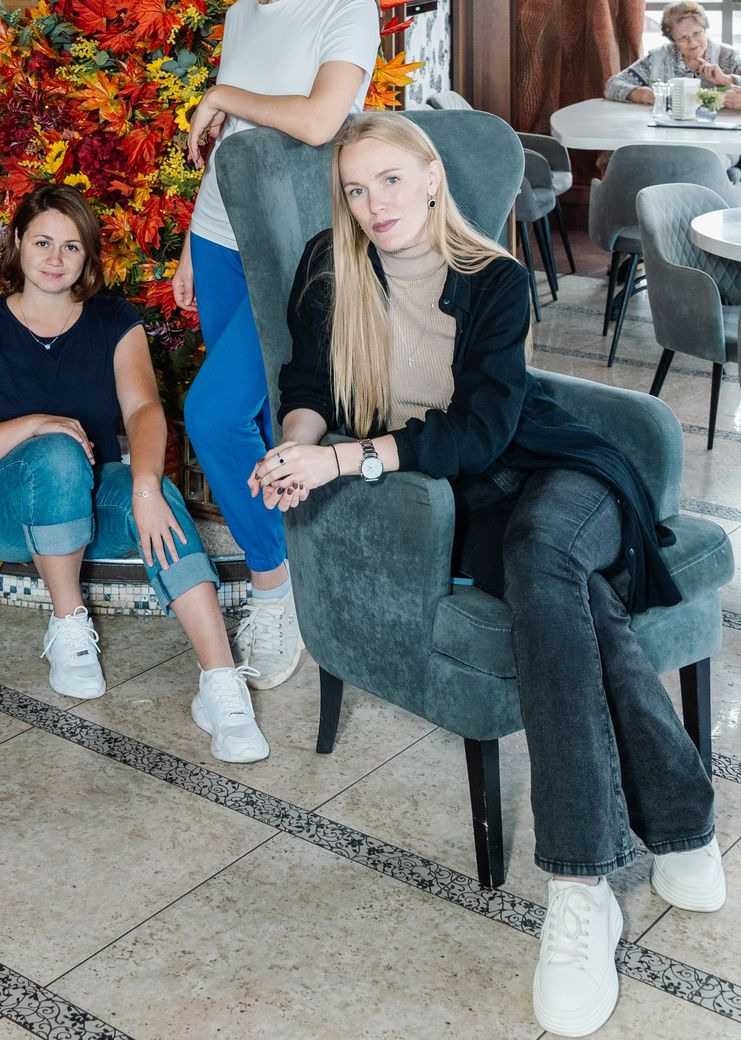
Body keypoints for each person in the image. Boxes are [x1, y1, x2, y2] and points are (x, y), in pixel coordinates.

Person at [252, 111, 724, 1039]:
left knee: (547, 556)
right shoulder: (329, 267)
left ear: (431, 177)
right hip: (464, 505)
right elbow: (306, 384)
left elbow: (481, 431)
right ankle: (682, 822)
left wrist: (344, 459)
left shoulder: (494, 279)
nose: (373, 204)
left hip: (558, 471)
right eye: (356, 189)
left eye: (391, 180)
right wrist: (293, 448)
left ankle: (578, 889)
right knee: (572, 603)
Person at [0, 184, 268, 762]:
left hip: (89, 497)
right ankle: (69, 625)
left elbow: (143, 410)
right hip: (2, 510)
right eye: (42, 242)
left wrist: (145, 487)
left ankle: (221, 684)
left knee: (160, 496)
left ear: (88, 255)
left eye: (71, 246)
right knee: (56, 450)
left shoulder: (114, 320)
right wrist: (36, 424)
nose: (55, 259)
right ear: (18, 244)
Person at [174, 0, 381, 692]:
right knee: (253, 421)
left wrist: (223, 93)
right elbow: (227, 151)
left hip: (298, 255)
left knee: (213, 414)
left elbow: (320, 119)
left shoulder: (346, 7)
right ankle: (291, 571)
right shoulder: (239, 14)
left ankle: (273, 586)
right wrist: (190, 244)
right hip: (219, 240)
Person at [605, 0, 741, 108]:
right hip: (666, 130)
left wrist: (727, 80)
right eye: (683, 38)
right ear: (673, 40)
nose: (692, 42)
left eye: (697, 33)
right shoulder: (658, 58)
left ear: (704, 28)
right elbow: (612, 84)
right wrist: (638, 94)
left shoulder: (730, 57)